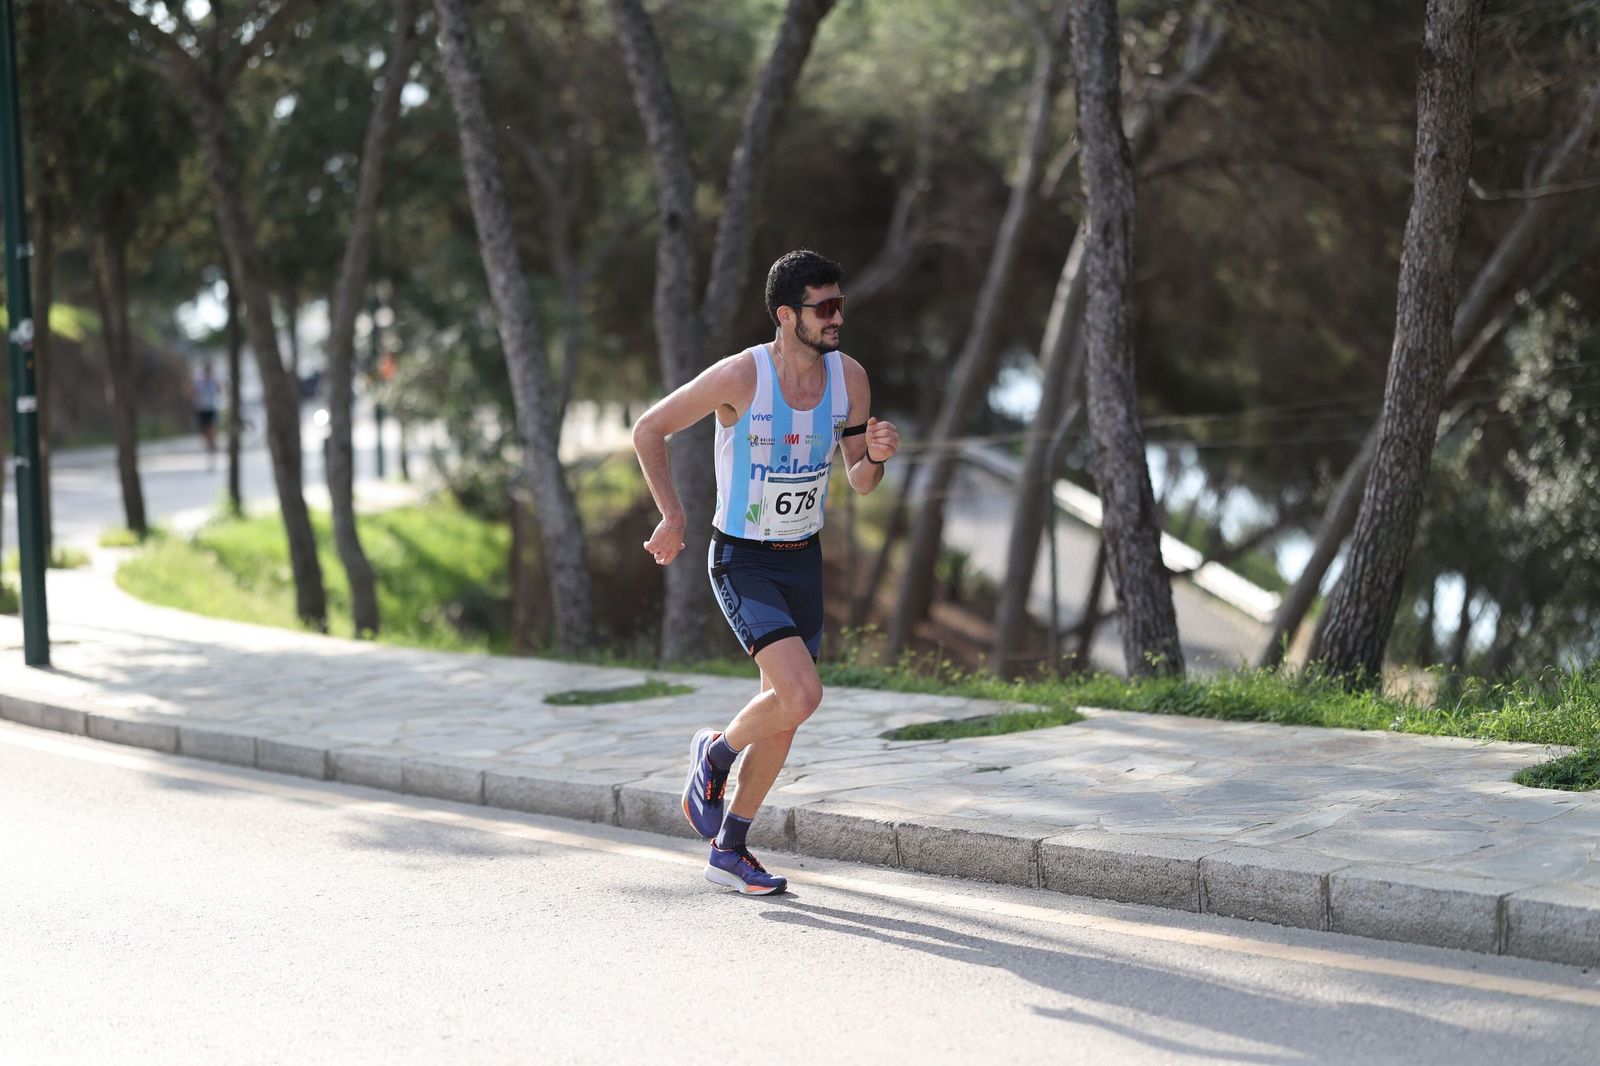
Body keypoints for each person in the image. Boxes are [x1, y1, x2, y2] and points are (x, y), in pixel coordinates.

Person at [631, 249, 901, 895]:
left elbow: (860, 481)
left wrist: (879, 457)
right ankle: (715, 754)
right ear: (787, 315)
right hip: (742, 559)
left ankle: (731, 848)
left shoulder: (850, 380)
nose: (837, 317)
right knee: (802, 694)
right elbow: (649, 430)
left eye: (841, 303)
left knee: (786, 708)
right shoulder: (740, 377)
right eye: (823, 307)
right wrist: (673, 516)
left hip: (801, 561)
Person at [191, 362, 222, 470]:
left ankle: (213, 444)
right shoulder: (198, 382)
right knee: (203, 431)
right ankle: (210, 444)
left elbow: (220, 390)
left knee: (211, 428)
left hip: (211, 409)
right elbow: (192, 392)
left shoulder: (214, 381)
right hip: (201, 409)